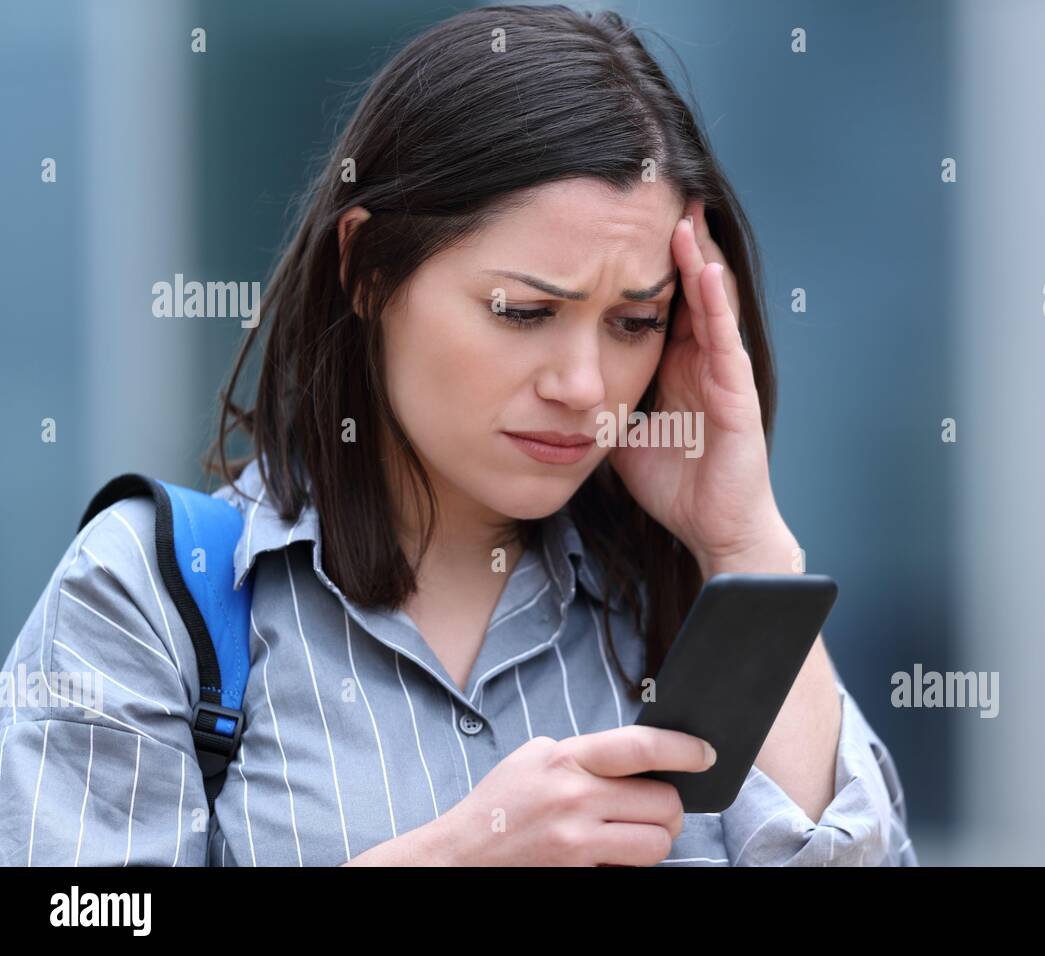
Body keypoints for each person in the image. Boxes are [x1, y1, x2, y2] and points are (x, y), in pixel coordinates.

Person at [0, 4, 915, 867]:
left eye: (634, 323)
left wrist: (741, 538)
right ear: (365, 269)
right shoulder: (150, 599)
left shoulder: (676, 616)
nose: (584, 386)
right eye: (522, 312)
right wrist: (453, 853)